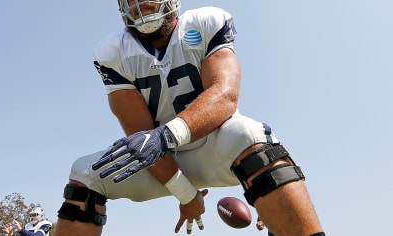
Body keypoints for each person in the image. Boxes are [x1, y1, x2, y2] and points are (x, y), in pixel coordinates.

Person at [55, 0, 326, 235]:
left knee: (250, 135)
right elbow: (141, 138)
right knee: (86, 172)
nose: (141, 6)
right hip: (161, 159)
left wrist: (166, 136)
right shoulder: (113, 52)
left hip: (218, 145)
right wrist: (187, 195)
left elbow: (225, 94)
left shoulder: (206, 23)